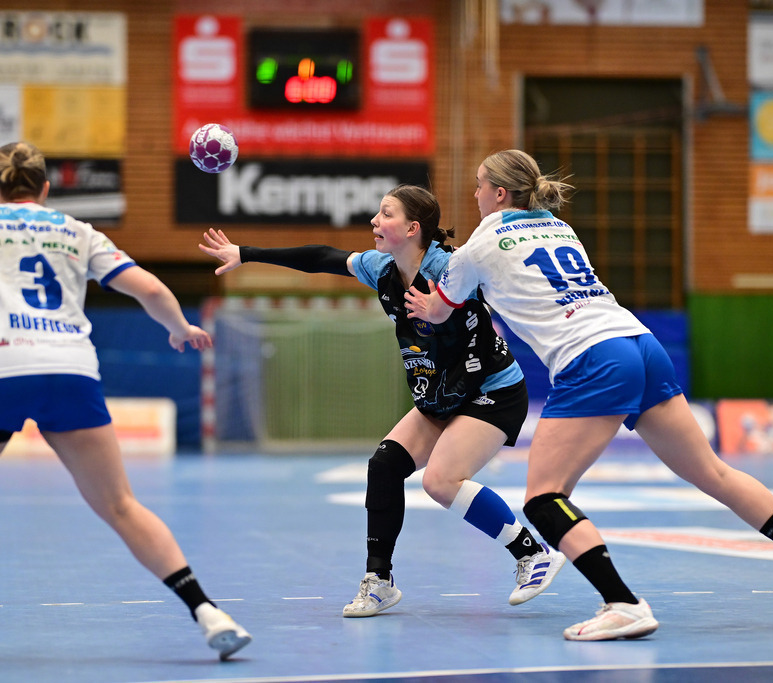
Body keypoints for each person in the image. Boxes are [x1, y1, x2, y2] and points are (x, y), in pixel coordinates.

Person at [405, 149, 773, 641]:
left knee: (543, 499)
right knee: (714, 473)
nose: (474, 194)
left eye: (479, 185)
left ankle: (623, 604)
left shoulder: (478, 245)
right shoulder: (557, 225)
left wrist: (424, 305)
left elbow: (444, 308)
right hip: (641, 344)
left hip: (592, 358)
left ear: (499, 194)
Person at [198, 184, 565, 617]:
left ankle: (532, 552)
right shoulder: (382, 269)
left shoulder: (452, 269)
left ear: (412, 228)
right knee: (385, 464)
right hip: (440, 397)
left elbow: (496, 285)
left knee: (441, 481)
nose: (374, 220)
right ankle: (380, 581)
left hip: (492, 391)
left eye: (385, 213)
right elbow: (321, 257)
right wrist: (247, 253)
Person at [0, 141, 251, 660]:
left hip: (5, 366)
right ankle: (209, 612)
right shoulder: (76, 231)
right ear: (45, 189)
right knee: (120, 505)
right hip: (69, 369)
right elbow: (152, 291)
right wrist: (180, 328)